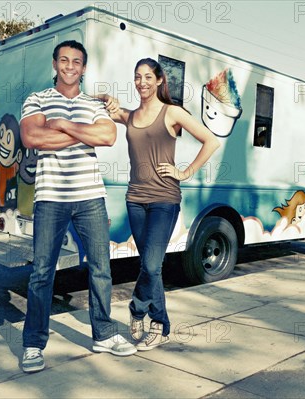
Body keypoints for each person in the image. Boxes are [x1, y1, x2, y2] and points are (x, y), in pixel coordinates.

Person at [19, 40, 136, 373]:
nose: (70, 66)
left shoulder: (93, 102)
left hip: (90, 198)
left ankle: (104, 334)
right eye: (64, 60)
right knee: (42, 273)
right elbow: (33, 139)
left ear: (84, 68)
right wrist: (86, 134)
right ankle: (33, 344)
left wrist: (62, 125)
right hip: (51, 198)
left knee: (101, 268)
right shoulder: (37, 99)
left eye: (77, 62)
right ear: (55, 64)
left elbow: (109, 136)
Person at [102, 58, 220, 351]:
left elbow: (211, 141)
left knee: (153, 263)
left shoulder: (172, 113)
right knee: (149, 266)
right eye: (137, 77)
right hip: (135, 200)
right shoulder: (130, 116)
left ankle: (144, 314)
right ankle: (159, 323)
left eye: (147, 77)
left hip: (165, 199)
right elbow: (105, 104)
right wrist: (106, 100)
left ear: (158, 81)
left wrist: (185, 172)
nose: (141, 82)